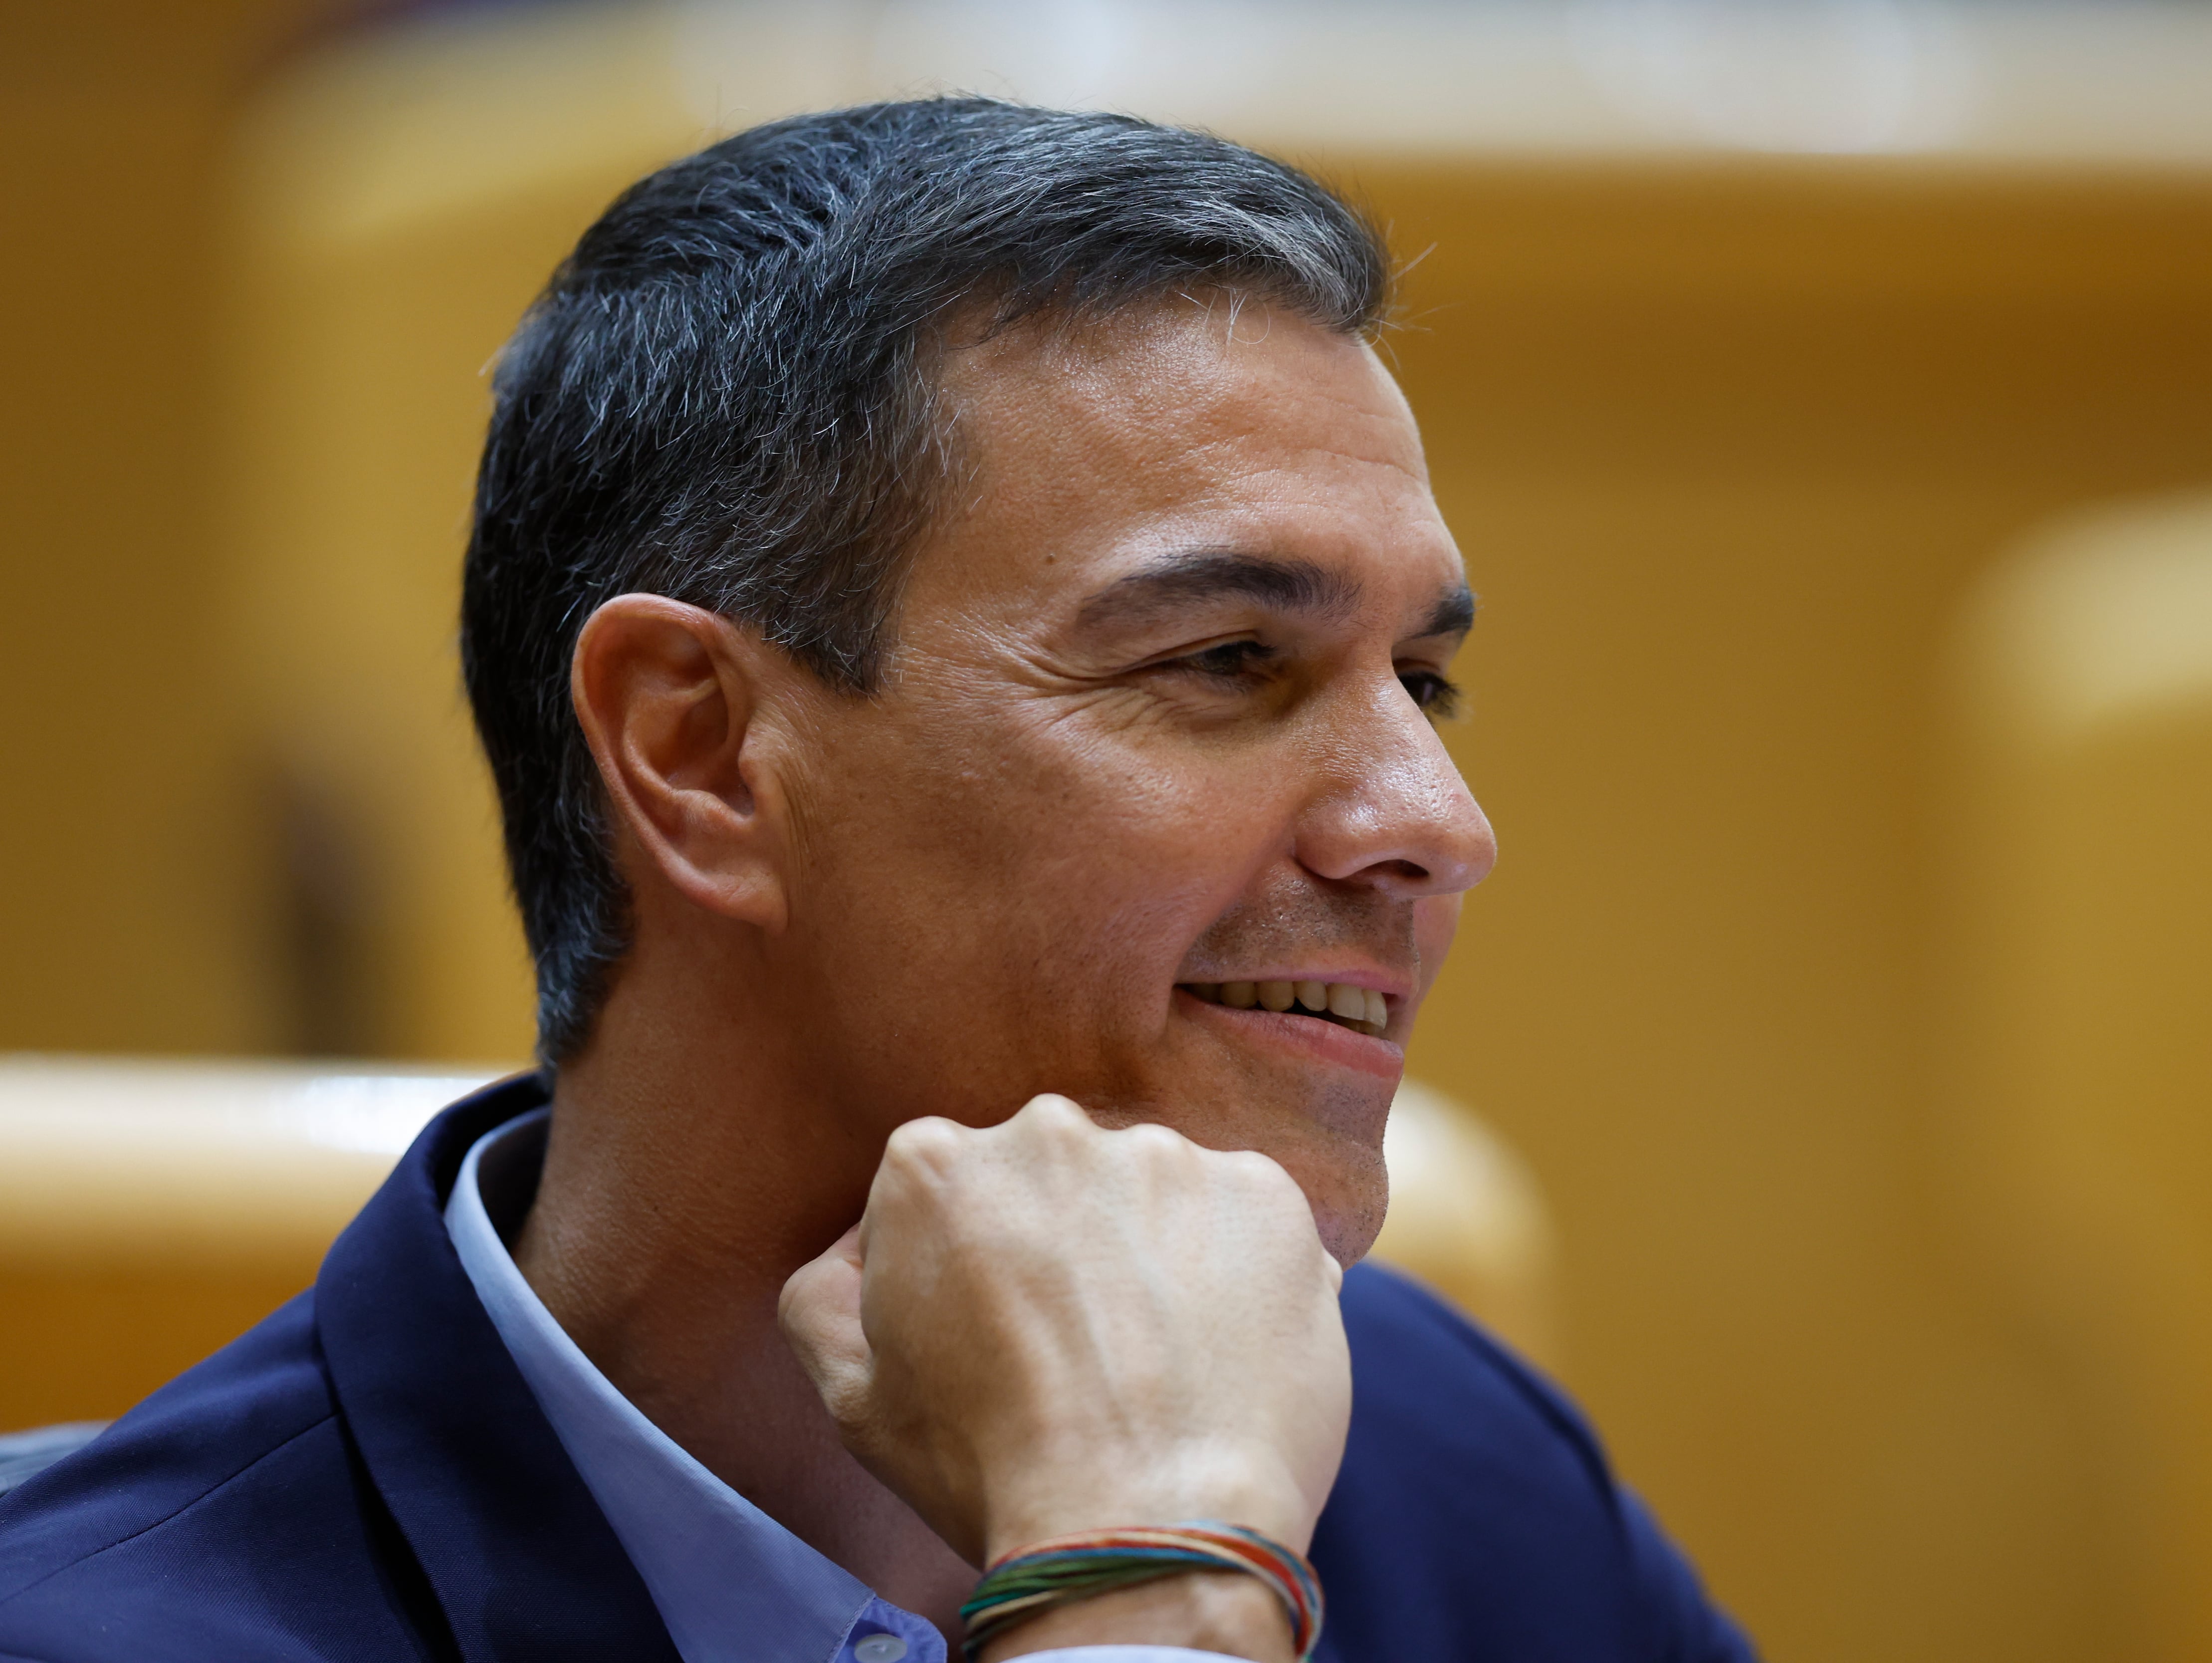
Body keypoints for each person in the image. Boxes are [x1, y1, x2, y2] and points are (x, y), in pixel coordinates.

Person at [0, 100, 1754, 1663]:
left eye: (1422, 682)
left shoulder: (1454, 1469)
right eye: (1227, 659)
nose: (1435, 821)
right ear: (699, 752)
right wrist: (1151, 1590)